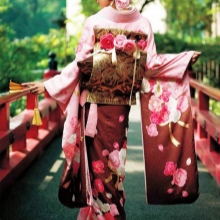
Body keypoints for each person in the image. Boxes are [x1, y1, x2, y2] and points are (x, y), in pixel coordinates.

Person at [23, 0, 201, 219]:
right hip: (119, 110)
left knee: (102, 171)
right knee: (113, 170)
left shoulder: (94, 22)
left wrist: (49, 85)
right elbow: (152, 65)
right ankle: (109, 210)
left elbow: (80, 65)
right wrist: (182, 59)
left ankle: (111, 215)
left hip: (95, 110)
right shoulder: (142, 24)